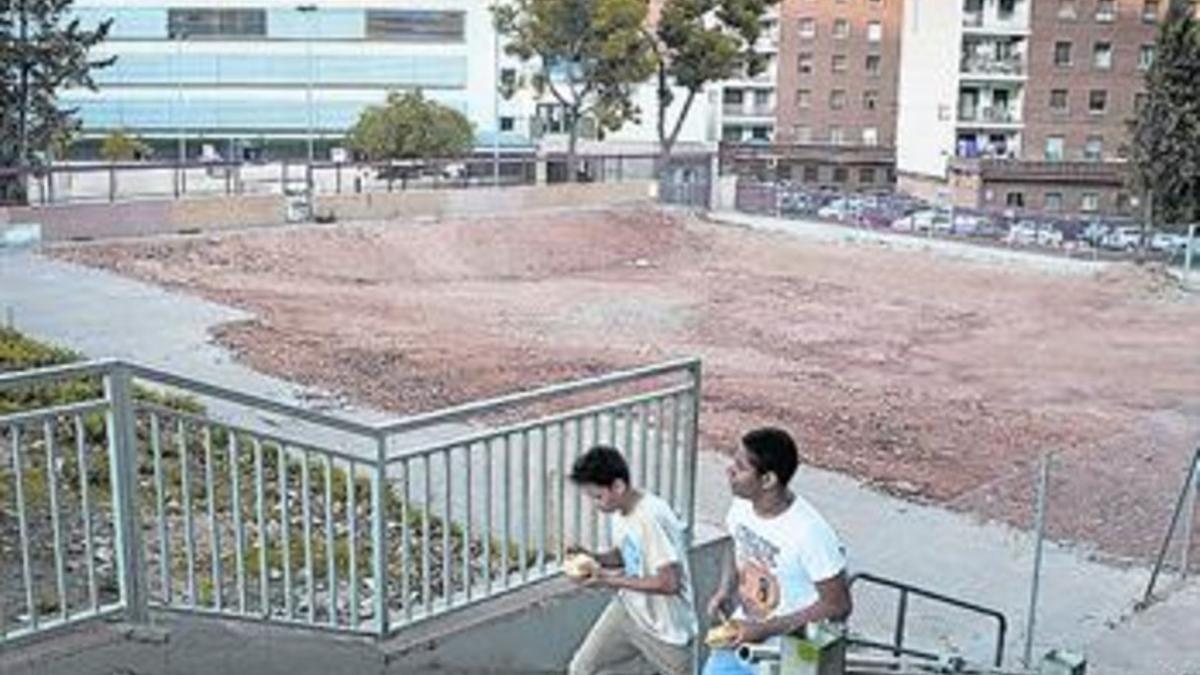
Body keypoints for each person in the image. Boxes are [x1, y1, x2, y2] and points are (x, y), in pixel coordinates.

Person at [702, 427, 852, 675]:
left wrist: (765, 630)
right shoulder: (742, 504)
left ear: (768, 480)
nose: (729, 471)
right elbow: (735, 543)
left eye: (740, 468)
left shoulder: (810, 533)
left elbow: (838, 605)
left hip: (795, 653)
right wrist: (724, 589)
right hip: (743, 633)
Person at [566, 445, 698, 675]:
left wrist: (609, 580)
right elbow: (626, 555)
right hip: (629, 611)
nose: (595, 504)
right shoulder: (620, 509)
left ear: (618, 486)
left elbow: (669, 583)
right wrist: (593, 557)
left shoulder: (649, 518)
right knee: (581, 668)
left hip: (668, 631)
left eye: (597, 496)